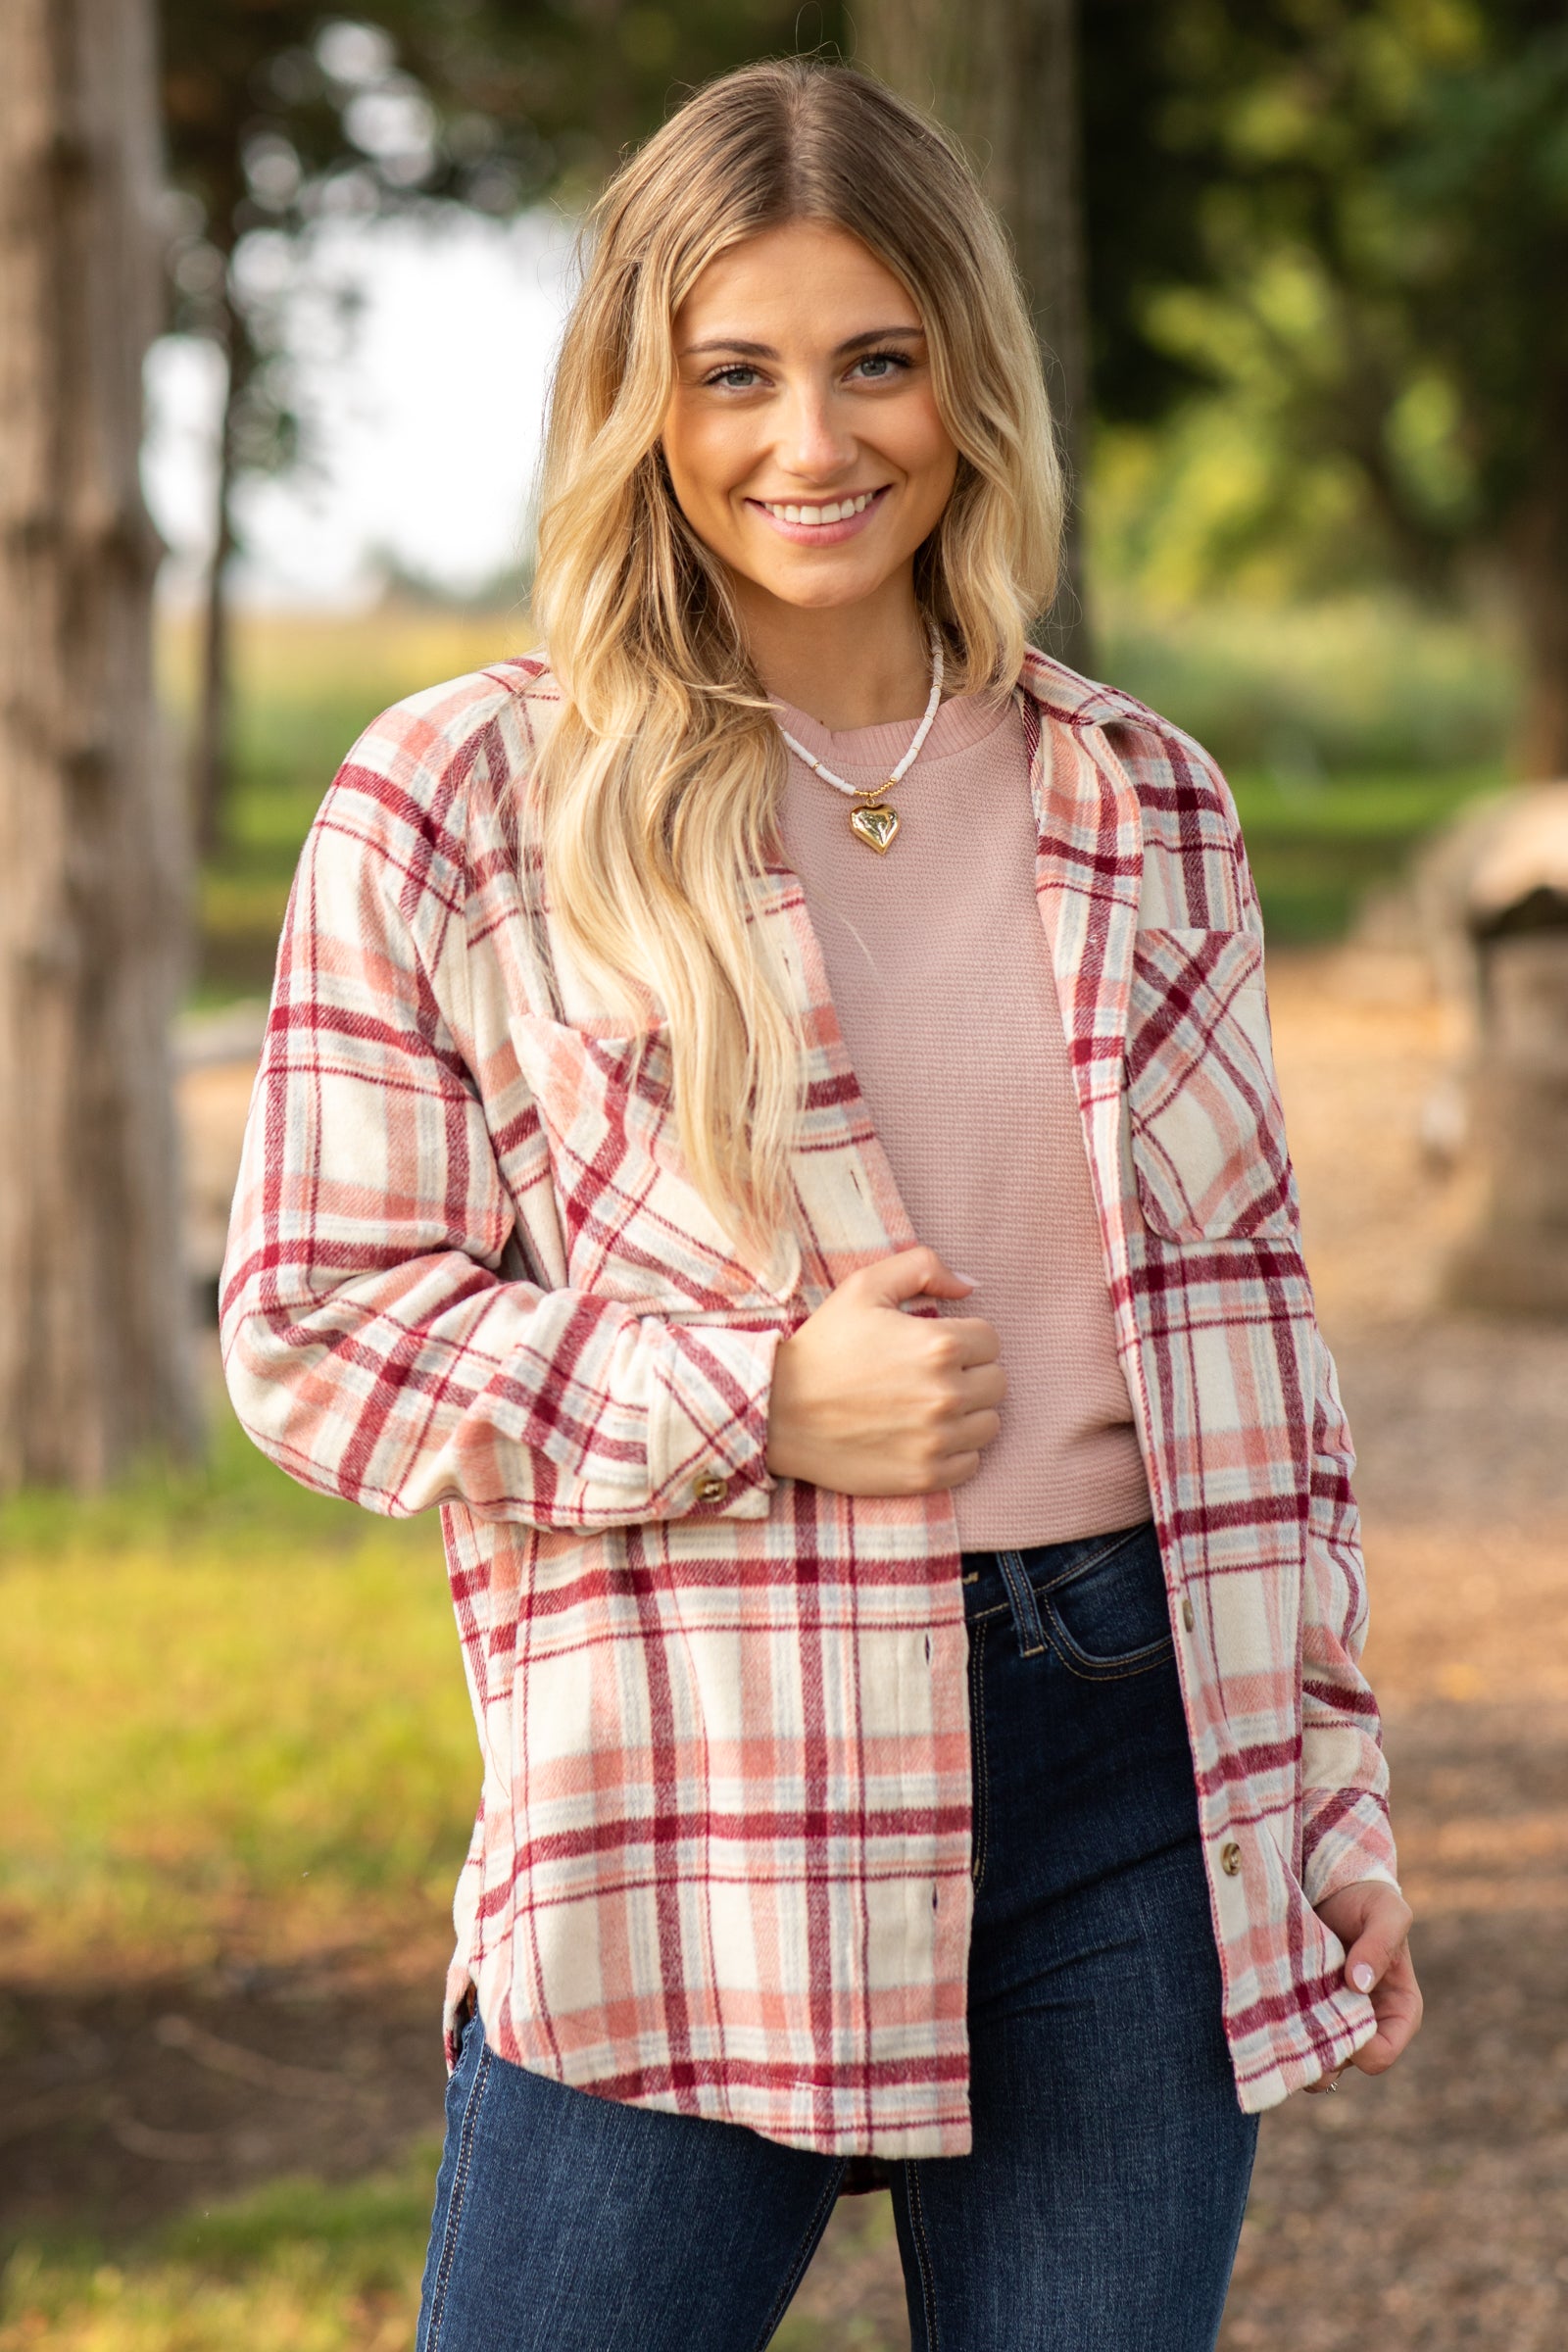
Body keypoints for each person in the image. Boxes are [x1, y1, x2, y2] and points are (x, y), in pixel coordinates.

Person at [220, 57, 1422, 2352]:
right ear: (636, 408)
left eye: (875, 361)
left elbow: (1254, 1350)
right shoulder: (461, 800)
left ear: (966, 379)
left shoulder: (1143, 798)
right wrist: (753, 1393)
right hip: (693, 1791)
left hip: (1129, 1781)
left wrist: (1328, 1795)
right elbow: (310, 1330)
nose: (812, 443)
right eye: (733, 375)